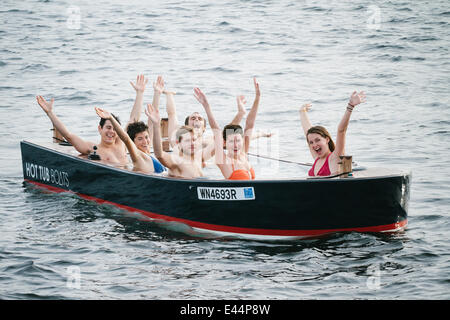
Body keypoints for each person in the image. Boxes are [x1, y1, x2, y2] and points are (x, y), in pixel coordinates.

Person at [193, 78, 261, 180]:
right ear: (224, 143)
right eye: (231, 141)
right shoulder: (222, 160)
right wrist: (206, 106)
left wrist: (257, 97)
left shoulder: (243, 153)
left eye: (238, 141)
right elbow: (216, 131)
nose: (235, 145)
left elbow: (249, 124)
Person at [35, 95, 129, 166]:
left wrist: (139, 93)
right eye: (108, 127)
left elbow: (133, 120)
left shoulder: (122, 144)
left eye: (115, 129)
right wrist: (49, 112)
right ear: (100, 129)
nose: (111, 132)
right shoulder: (92, 148)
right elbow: (68, 136)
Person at [299, 91, 366, 177]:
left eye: (317, 140)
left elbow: (341, 131)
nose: (314, 145)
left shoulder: (334, 157)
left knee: (345, 160)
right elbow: (308, 132)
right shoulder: (317, 158)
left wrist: (350, 106)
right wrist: (302, 112)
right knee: (346, 162)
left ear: (327, 139)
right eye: (311, 142)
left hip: (341, 185)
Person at [147, 101, 212, 178]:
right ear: (178, 143)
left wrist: (207, 107)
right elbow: (159, 154)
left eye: (194, 140)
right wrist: (156, 125)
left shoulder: (198, 157)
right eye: (188, 141)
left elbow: (219, 140)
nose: (192, 143)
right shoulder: (176, 161)